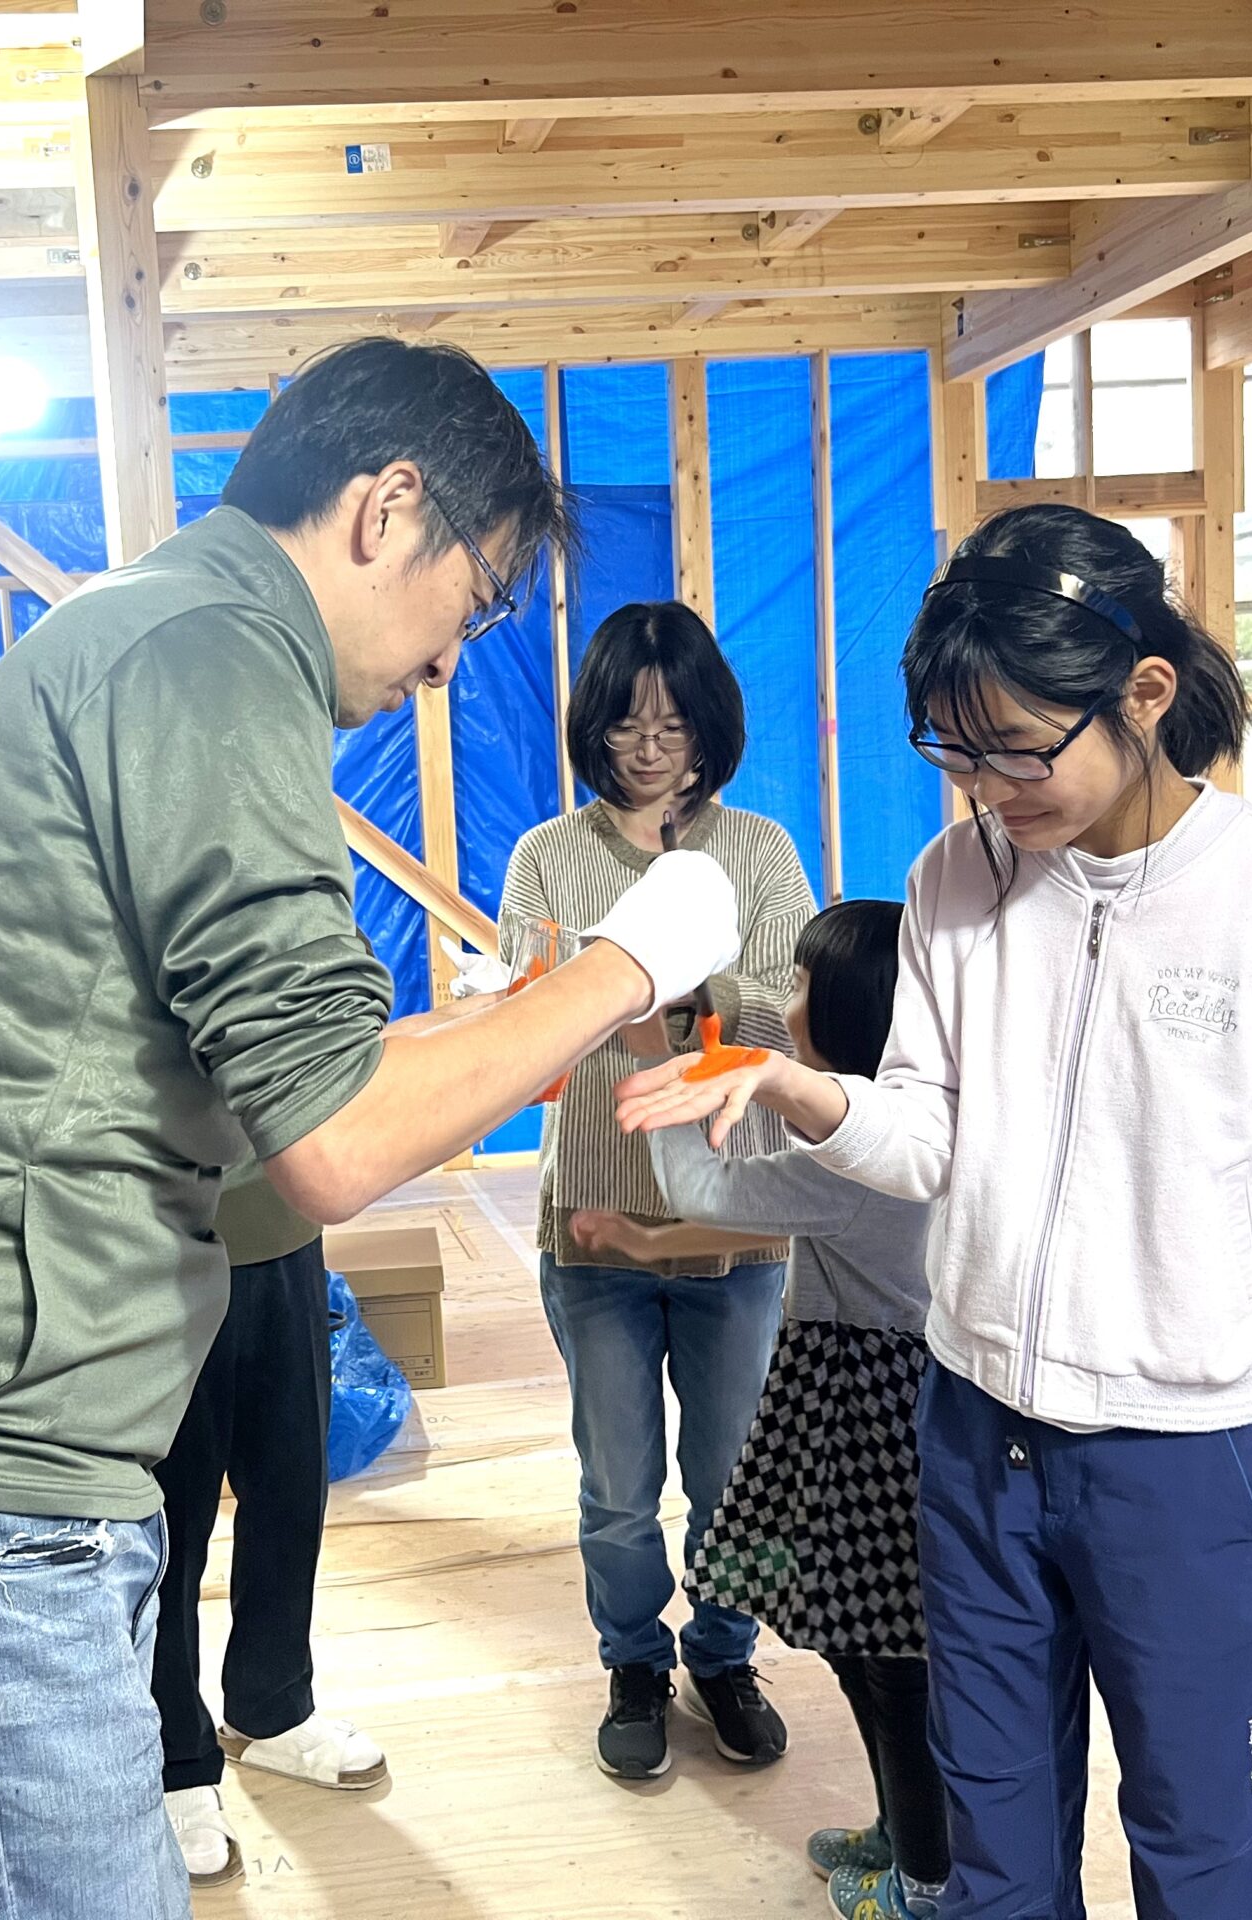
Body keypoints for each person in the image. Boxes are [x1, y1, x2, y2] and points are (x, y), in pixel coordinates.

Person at [0, 337, 745, 1920]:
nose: (451, 664)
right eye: (473, 604)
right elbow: (333, 1144)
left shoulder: (160, 630)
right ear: (387, 510)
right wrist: (628, 965)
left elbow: (247, 1082)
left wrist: (493, 1029)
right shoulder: (216, 661)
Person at [617, 505, 1252, 1920]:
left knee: (1201, 1851)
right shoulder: (955, 881)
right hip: (972, 1441)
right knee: (993, 1858)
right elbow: (928, 1139)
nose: (985, 791)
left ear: (1144, 692)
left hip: (1183, 1465)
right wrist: (802, 1090)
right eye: (953, 753)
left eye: (1016, 750)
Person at [578, 898, 948, 1920]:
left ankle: (927, 1883)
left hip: (867, 1418)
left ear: (852, 1011)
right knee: (862, 1645)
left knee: (890, 1662)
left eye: (798, 986)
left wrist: (650, 1048)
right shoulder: (894, 1119)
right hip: (859, 1401)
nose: (782, 1008)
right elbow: (774, 1211)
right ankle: (903, 1837)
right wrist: (651, 1244)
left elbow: (712, 1188)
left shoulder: (856, 1153)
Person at [499, 599, 816, 1781]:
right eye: (625, 724)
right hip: (594, 1221)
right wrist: (613, 999)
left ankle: (725, 1657)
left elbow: (792, 1013)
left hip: (735, 1227)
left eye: (672, 724)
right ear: (591, 726)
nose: (646, 747)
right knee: (617, 1486)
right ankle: (632, 1660)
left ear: (709, 727)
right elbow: (532, 1019)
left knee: (734, 1477)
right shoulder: (547, 855)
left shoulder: (760, 851)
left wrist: (663, 997)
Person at [152, 1161, 379, 1889]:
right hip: (153, 1244)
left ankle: (271, 1705)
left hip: (286, 1231)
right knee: (168, 1519)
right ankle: (173, 1757)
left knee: (290, 1484)